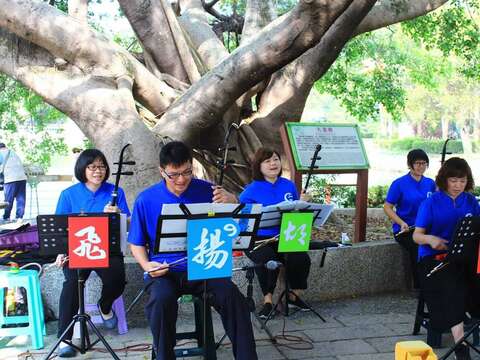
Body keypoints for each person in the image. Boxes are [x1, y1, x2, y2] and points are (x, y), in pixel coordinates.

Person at [128, 141, 258, 360]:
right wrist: (146, 265)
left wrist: (233, 202)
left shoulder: (209, 191)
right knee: (160, 301)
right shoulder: (146, 199)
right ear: (162, 171)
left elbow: (240, 227)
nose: (181, 179)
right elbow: (136, 243)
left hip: (204, 266)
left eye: (187, 172)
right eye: (174, 174)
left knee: (233, 298)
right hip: (164, 270)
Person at [54, 149, 130, 358]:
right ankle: (65, 339)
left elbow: (129, 223)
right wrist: (61, 252)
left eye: (102, 166)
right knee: (71, 285)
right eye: (92, 167)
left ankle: (104, 306)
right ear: (83, 169)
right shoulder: (69, 194)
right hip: (78, 250)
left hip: (107, 249)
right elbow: (59, 228)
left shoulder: (116, 192)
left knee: (118, 279)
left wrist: (120, 214)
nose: (98, 171)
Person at [413, 157, 480, 360]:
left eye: (462, 181)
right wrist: (430, 239)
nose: (458, 186)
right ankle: (461, 345)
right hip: (434, 260)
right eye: (453, 181)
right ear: (444, 180)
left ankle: (472, 321)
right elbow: (417, 236)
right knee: (452, 285)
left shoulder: (470, 201)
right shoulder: (430, 202)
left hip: (463, 257)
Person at [239, 147, 311, 319]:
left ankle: (293, 296)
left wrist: (303, 203)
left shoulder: (288, 186)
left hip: (285, 235)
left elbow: (296, 214)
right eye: (267, 161)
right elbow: (244, 223)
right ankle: (268, 301)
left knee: (301, 258)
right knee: (268, 259)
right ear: (259, 166)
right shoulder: (250, 191)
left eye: (276, 159)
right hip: (258, 239)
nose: (273, 164)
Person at [384, 149, 435, 289]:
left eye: (424, 163)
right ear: (410, 164)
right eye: (417, 163)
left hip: (426, 228)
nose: (421, 166)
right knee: (419, 246)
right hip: (406, 229)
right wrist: (401, 222)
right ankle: (421, 287)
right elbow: (387, 207)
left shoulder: (431, 183)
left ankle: (437, 283)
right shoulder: (399, 184)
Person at [0, 143, 27, 222]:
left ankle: (6, 217)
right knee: (21, 199)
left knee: (8, 200)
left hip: (10, 179)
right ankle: (19, 217)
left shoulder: (1, 153)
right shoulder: (13, 152)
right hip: (22, 178)